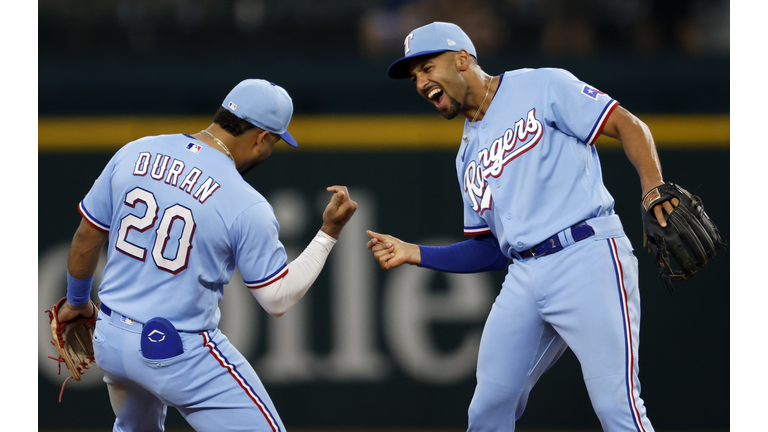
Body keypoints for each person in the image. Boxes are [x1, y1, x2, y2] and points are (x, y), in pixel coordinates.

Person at [367, 21, 677, 431]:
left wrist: (653, 184)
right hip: (525, 275)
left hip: (587, 255)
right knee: (487, 409)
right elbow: (490, 248)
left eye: (426, 67)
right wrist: (416, 253)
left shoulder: (542, 86)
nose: (421, 82)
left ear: (462, 59)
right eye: (414, 77)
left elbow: (627, 124)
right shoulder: (466, 158)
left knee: (616, 406)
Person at [56, 79, 358, 431]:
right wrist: (328, 233)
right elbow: (277, 298)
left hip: (111, 339)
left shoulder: (135, 151)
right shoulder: (246, 203)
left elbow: (86, 237)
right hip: (175, 350)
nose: (268, 151)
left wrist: (76, 302)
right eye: (273, 142)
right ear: (261, 138)